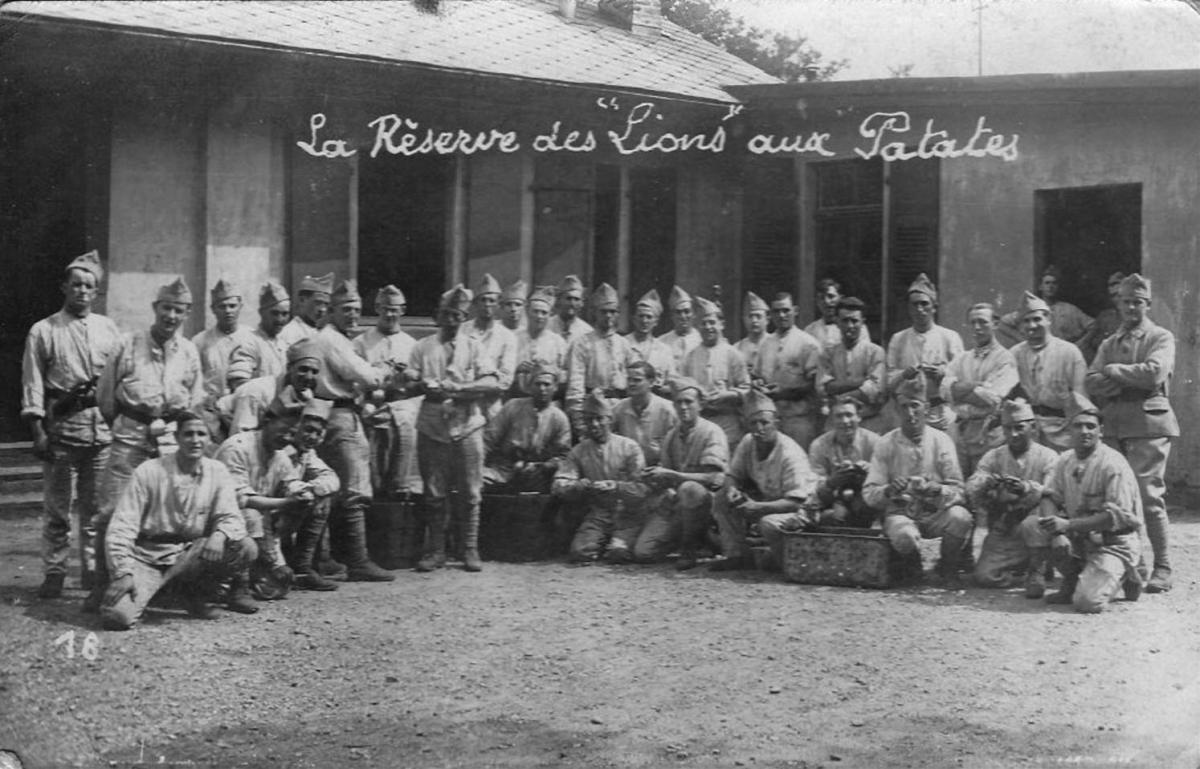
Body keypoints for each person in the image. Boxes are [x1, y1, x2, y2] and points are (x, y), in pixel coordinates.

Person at [86, 276, 205, 612]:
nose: (171, 316)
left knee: (167, 513)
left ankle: (165, 585)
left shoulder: (189, 352)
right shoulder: (127, 344)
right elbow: (106, 397)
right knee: (111, 511)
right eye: (166, 308)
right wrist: (131, 425)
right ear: (155, 308)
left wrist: (173, 432)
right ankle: (102, 585)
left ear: (187, 314)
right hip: (130, 439)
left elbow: (195, 402)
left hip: (169, 441)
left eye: (179, 310)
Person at [21, 250, 122, 598]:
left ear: (96, 292)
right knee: (58, 510)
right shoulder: (44, 330)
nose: (82, 291)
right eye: (76, 284)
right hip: (61, 430)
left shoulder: (108, 329)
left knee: (95, 511)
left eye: (89, 286)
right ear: (64, 287)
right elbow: (33, 383)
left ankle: (92, 571)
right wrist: (37, 431)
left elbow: (118, 380)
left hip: (100, 432)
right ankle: (55, 571)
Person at [100, 412, 257, 630]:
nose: (195, 440)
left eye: (201, 434)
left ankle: (194, 594)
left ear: (209, 439)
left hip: (189, 553)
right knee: (117, 617)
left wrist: (219, 535)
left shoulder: (217, 471)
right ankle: (154, 592)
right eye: (188, 434)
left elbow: (232, 516)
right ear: (176, 437)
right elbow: (122, 526)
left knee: (245, 547)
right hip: (148, 556)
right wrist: (122, 573)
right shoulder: (149, 470)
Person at [1085, 273, 1178, 594]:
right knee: (1118, 498)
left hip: (1149, 423)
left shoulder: (1160, 337)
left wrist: (1113, 372)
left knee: (1148, 496)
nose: (1131, 308)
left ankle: (1163, 566)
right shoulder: (1109, 342)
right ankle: (1134, 566)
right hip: (1115, 424)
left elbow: (1154, 374)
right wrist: (1119, 380)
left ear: (1148, 304)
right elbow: (1091, 380)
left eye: (1138, 302)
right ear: (1118, 304)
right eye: (1125, 302)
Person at [309, 279, 396, 581]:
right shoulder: (332, 339)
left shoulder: (335, 338)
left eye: (357, 309)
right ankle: (357, 561)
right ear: (331, 310)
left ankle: (325, 558)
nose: (353, 315)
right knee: (354, 487)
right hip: (339, 414)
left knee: (331, 488)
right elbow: (366, 377)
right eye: (346, 309)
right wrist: (385, 370)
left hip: (329, 413)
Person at [409, 284, 499, 573]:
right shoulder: (423, 347)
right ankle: (436, 550)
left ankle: (469, 548)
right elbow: (408, 381)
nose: (451, 321)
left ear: (464, 318)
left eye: (457, 316)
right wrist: (419, 383)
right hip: (432, 423)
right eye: (446, 315)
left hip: (468, 422)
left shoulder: (474, 346)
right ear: (437, 316)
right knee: (434, 491)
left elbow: (492, 382)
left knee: (471, 490)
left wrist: (461, 388)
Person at [1036, 394, 1144, 613]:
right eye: (1078, 426)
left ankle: (1128, 572)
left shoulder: (1112, 463)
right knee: (1034, 527)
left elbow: (1113, 518)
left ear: (1100, 431)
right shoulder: (1065, 459)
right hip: (1081, 539)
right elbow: (1049, 496)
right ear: (1069, 430)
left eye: (1090, 426)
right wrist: (1057, 532)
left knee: (1087, 603)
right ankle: (1072, 578)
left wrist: (1067, 525)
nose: (1084, 431)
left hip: (1113, 543)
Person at [863, 377, 972, 583]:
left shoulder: (942, 441)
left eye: (915, 406)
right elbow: (869, 494)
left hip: (936, 513)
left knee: (961, 518)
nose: (910, 413)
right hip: (901, 513)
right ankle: (913, 566)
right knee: (904, 536)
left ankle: (948, 568)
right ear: (897, 410)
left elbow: (960, 491)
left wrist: (936, 489)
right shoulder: (885, 443)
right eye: (904, 407)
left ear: (926, 408)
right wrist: (889, 490)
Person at [214, 395, 309, 611]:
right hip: (218, 524)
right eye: (283, 430)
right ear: (267, 421)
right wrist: (287, 502)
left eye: (292, 434)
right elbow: (241, 500)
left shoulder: (279, 455)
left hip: (254, 529)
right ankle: (238, 586)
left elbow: (291, 481)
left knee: (277, 584)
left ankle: (255, 572)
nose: (287, 438)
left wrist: (302, 492)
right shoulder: (237, 447)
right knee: (251, 514)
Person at [966, 398, 1060, 595]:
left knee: (1042, 509)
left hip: (1039, 529)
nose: (1013, 434)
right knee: (985, 576)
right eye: (1007, 428)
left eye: (1019, 428)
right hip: (1007, 529)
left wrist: (1026, 488)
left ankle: (1039, 567)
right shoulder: (994, 456)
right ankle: (1022, 572)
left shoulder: (1049, 456)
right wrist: (989, 484)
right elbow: (972, 485)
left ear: (1033, 427)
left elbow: (1055, 491)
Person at [636, 377, 730, 569]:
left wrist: (672, 475)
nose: (683, 407)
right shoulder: (672, 435)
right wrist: (654, 477)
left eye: (689, 402)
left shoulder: (711, 432)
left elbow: (715, 478)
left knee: (690, 489)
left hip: (711, 504)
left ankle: (690, 549)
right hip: (680, 503)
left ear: (700, 404)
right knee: (644, 552)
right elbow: (667, 475)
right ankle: (704, 540)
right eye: (678, 402)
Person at [723, 390, 816, 573]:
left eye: (765, 422)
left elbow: (796, 502)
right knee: (721, 498)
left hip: (803, 510)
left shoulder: (790, 454)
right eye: (753, 423)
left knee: (768, 523)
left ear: (776, 424)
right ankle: (737, 556)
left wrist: (758, 507)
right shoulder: (748, 442)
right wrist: (731, 490)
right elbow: (732, 475)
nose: (759, 428)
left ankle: (791, 564)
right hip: (768, 499)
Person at [553, 390, 649, 564]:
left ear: (610, 420)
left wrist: (617, 486)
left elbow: (642, 488)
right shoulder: (579, 451)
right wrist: (579, 486)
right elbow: (560, 484)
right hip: (598, 514)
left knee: (619, 554)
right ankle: (600, 542)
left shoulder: (629, 447)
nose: (594, 424)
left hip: (627, 514)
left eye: (599, 419)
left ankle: (616, 544)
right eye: (589, 420)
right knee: (580, 552)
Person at [354, 284, 419, 499]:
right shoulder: (361, 343)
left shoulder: (412, 345)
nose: (390, 314)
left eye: (394, 310)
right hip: (370, 410)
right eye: (385, 309)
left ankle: (397, 495)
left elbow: (416, 386)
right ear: (377, 309)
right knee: (371, 476)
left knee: (399, 478)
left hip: (402, 412)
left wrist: (405, 379)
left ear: (403, 310)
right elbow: (355, 382)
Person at [943, 303, 1019, 476]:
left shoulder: (1005, 358)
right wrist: (975, 386)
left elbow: (992, 398)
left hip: (989, 434)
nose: (977, 327)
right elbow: (945, 390)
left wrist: (959, 391)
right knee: (957, 481)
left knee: (985, 483)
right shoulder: (962, 358)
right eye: (973, 322)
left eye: (983, 322)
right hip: (960, 432)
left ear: (995, 324)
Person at [274, 399, 342, 591]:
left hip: (284, 511)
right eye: (308, 429)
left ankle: (302, 568)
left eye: (318, 433)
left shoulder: (307, 453)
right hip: (264, 515)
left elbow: (331, 478)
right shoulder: (280, 449)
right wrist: (305, 492)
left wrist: (311, 489)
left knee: (322, 499)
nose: (312, 437)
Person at [884, 274, 963, 433]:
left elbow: (962, 377)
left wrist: (942, 374)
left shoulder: (950, 337)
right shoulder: (898, 339)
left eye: (924, 304)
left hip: (941, 413)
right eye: (915, 305)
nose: (919, 309)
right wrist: (904, 375)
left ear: (934, 307)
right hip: (907, 413)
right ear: (909, 308)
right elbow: (888, 382)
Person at [1009, 291, 1087, 450]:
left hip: (1061, 430)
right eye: (1026, 321)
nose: (1032, 326)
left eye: (1037, 319)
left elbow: (1081, 398)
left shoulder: (1069, 352)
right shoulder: (1014, 354)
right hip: (1028, 432)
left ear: (1049, 319)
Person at [483, 363, 571, 493]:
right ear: (530, 386)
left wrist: (544, 466)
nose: (542, 389)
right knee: (477, 482)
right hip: (502, 470)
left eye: (547, 384)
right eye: (537, 384)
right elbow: (488, 439)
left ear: (555, 387)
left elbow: (564, 456)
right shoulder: (513, 406)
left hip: (537, 475)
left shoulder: (559, 418)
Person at [798, 395, 880, 529]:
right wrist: (832, 481)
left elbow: (883, 480)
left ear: (859, 417)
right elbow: (813, 488)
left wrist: (869, 472)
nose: (845, 421)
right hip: (832, 500)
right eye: (839, 416)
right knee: (831, 516)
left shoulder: (875, 442)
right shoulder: (819, 445)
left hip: (866, 498)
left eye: (849, 415)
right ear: (832, 419)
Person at [680, 296, 751, 448]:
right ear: (698, 327)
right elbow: (684, 387)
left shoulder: (733, 354)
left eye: (712, 322)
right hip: (701, 420)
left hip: (728, 421)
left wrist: (726, 395)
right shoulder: (691, 356)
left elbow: (747, 389)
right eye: (703, 323)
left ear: (721, 324)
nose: (708, 327)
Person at [565, 283, 635, 434]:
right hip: (593, 410)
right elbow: (575, 386)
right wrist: (579, 423)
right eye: (603, 311)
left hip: (620, 410)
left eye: (612, 311)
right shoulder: (582, 343)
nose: (608, 316)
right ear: (595, 313)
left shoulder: (624, 344)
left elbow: (634, 379)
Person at [191, 279, 254, 441]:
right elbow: (194, 380)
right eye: (222, 306)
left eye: (232, 306)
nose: (228, 311)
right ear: (213, 309)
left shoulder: (252, 338)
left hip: (244, 410)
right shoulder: (200, 341)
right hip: (211, 414)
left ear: (240, 306)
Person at [759, 292, 822, 449]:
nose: (781, 315)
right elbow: (760, 376)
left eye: (786, 310)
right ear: (771, 314)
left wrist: (784, 392)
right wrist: (758, 384)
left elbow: (815, 385)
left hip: (799, 420)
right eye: (776, 311)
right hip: (772, 419)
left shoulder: (808, 344)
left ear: (795, 310)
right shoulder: (766, 344)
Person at [816, 296, 886, 435]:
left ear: (862, 322)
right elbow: (824, 387)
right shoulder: (828, 353)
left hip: (869, 422)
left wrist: (841, 397)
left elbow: (874, 389)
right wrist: (860, 382)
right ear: (837, 322)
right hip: (837, 423)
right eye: (845, 320)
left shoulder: (875, 352)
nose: (850, 326)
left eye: (854, 321)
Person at [229, 339, 321, 434]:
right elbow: (239, 436)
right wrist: (273, 413)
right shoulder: (257, 391)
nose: (309, 377)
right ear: (289, 368)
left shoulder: (306, 393)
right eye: (303, 369)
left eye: (314, 372)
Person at [460, 273, 517, 422]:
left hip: (492, 407)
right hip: (462, 404)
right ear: (475, 303)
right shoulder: (462, 330)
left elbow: (504, 381)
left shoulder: (507, 337)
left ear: (498, 304)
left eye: (491, 301)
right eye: (483, 300)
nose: (487, 304)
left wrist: (469, 386)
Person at [227, 281, 293, 387]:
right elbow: (238, 382)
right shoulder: (249, 342)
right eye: (275, 313)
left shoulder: (284, 344)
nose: (280, 319)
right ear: (261, 313)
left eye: (285, 314)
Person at [611, 361, 677, 467]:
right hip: (628, 467)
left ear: (651, 382)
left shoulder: (668, 410)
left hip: (659, 468)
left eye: (637, 380)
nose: (631, 384)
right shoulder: (619, 409)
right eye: (629, 379)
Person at [514, 285, 568, 397]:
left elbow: (567, 374)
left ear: (550, 314)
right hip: (516, 396)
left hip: (548, 398)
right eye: (535, 311)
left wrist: (550, 370)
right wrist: (517, 369)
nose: (539, 316)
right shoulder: (513, 338)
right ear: (527, 311)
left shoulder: (558, 342)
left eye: (544, 313)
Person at [625, 289, 676, 392]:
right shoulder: (623, 343)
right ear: (634, 319)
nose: (644, 321)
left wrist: (659, 388)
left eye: (649, 317)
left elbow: (672, 382)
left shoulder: (664, 350)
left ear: (656, 322)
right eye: (641, 316)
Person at [1077, 270, 1126, 363]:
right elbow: (1085, 341)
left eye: (1119, 295)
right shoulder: (1105, 317)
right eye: (1113, 296)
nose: (1117, 299)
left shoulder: (1135, 318)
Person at [277, 272, 333, 348]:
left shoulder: (321, 333)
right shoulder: (290, 333)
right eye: (318, 302)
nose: (322, 309)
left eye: (326, 304)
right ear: (302, 300)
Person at [657, 285, 700, 370]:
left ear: (694, 314)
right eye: (678, 312)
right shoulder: (662, 342)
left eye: (687, 311)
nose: (683, 316)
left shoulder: (701, 340)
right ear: (672, 316)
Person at [735, 291, 769, 387]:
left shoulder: (776, 344)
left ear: (767, 319)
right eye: (750, 316)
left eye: (758, 316)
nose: (754, 320)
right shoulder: (737, 348)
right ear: (744, 319)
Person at [548, 274, 592, 347]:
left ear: (581, 303)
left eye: (576, 299)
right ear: (559, 300)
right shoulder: (546, 326)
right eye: (568, 298)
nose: (572, 303)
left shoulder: (587, 332)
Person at [803, 278, 844, 348]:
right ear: (817, 302)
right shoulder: (810, 331)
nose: (826, 301)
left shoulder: (850, 328)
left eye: (831, 296)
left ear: (840, 298)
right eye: (822, 298)